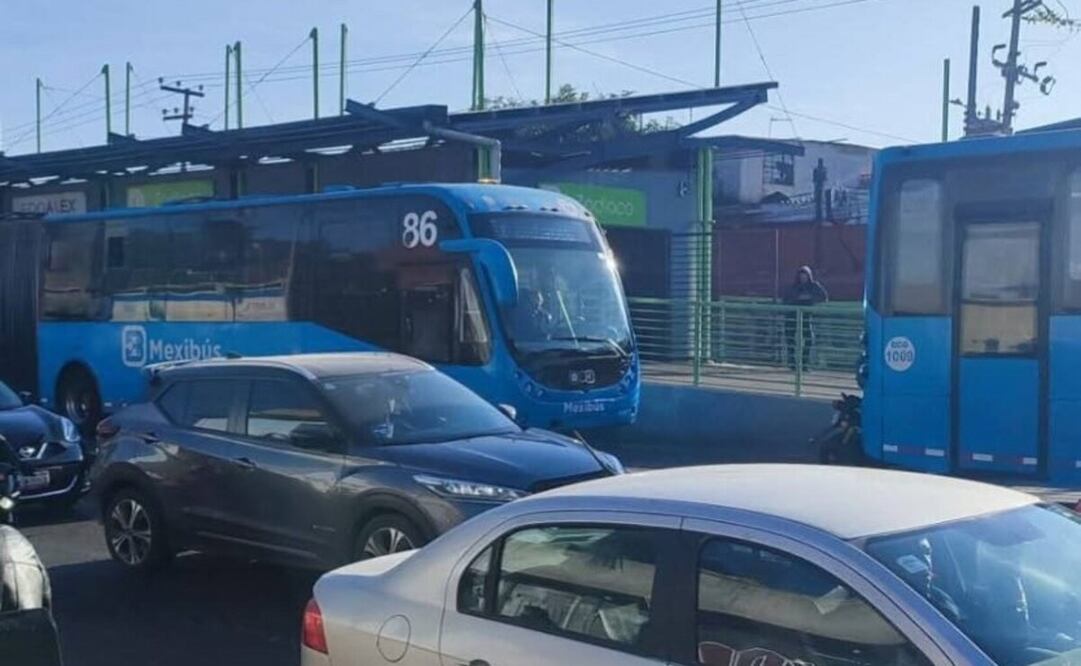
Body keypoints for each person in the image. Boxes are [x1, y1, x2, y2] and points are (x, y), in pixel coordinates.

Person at [783, 266, 829, 371]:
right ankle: (792, 364)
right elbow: (786, 299)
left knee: (809, 340)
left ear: (809, 277)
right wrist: (797, 299)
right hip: (792, 316)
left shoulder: (814, 286)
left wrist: (810, 299)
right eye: (801, 276)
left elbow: (824, 296)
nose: (803, 278)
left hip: (806, 316)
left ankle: (804, 364)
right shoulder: (793, 287)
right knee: (790, 339)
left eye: (805, 276)